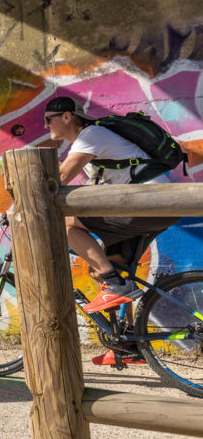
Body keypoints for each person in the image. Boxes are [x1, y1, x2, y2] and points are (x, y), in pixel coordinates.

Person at [44, 96, 180, 317]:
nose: (45, 125)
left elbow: (60, 177)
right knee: (104, 269)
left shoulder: (90, 136)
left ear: (67, 116)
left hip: (148, 204)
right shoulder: (91, 144)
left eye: (48, 119)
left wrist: (23, 200)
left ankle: (115, 283)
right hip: (145, 207)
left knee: (66, 225)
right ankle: (124, 345)